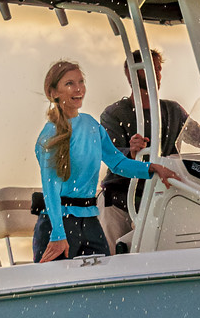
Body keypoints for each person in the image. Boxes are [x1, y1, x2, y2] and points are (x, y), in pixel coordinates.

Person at [34, 59, 160, 262]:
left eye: (81, 82)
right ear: (53, 93)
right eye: (69, 83)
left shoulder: (91, 126)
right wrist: (58, 234)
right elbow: (51, 189)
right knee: (61, 287)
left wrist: (152, 168)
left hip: (90, 222)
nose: (78, 89)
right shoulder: (50, 136)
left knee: (102, 282)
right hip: (58, 225)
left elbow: (118, 163)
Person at [96, 50, 200, 249]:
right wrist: (131, 152)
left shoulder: (172, 111)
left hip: (157, 201)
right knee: (111, 260)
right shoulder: (113, 114)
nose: (157, 74)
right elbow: (114, 156)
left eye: (158, 69)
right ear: (130, 73)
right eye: (149, 69)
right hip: (118, 201)